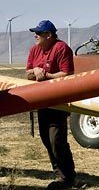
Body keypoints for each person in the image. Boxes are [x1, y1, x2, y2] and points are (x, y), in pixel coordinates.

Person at [26, 20, 76, 189]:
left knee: (56, 139)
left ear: (49, 35)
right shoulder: (35, 49)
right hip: (41, 100)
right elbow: (28, 73)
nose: (35, 36)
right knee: (46, 139)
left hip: (57, 101)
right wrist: (35, 71)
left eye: (38, 33)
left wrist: (45, 74)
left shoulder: (62, 48)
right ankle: (59, 174)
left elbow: (67, 74)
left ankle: (66, 178)